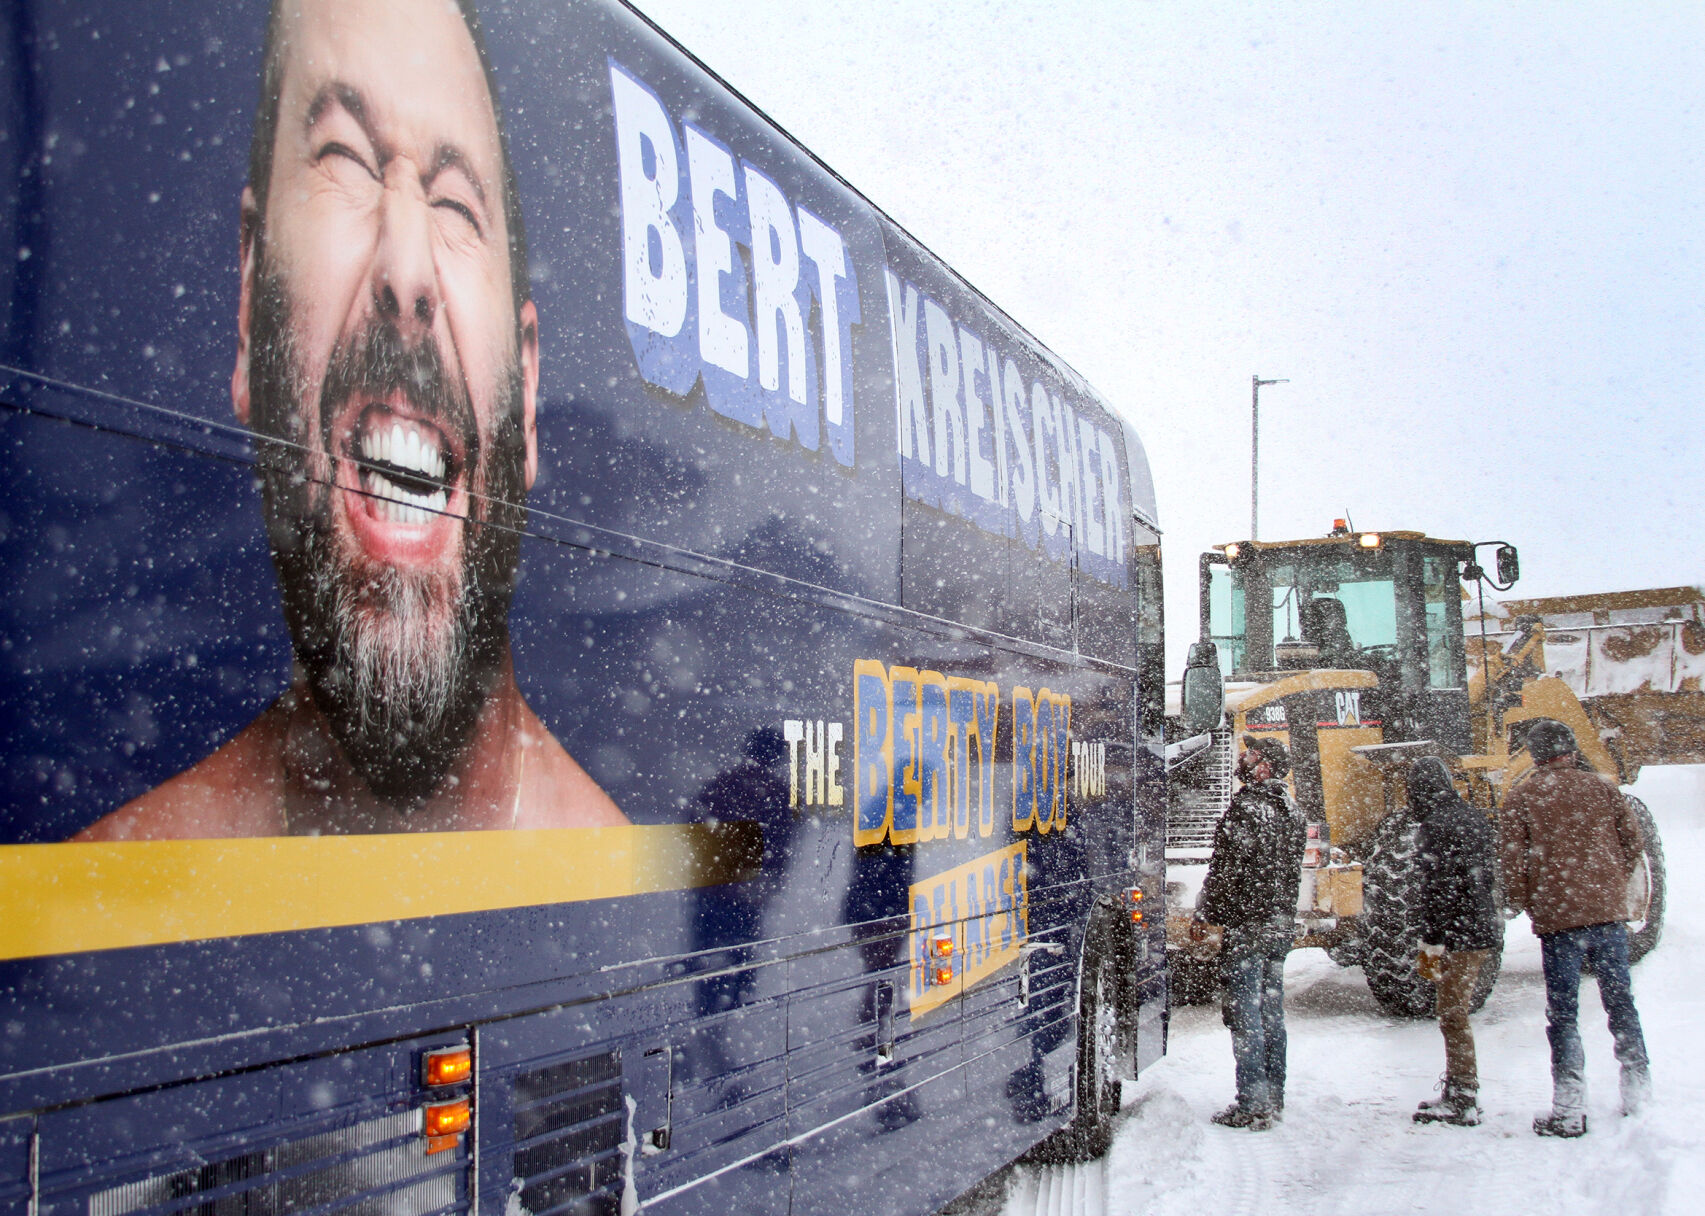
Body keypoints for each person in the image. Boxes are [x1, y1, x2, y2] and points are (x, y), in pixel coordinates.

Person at [78, 0, 624, 839]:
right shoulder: (100, 898)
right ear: (251, 302)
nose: (406, 269)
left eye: (453, 207)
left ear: (524, 377)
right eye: (346, 159)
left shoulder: (622, 883)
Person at [1500, 719, 1650, 1137]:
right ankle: (1637, 1090)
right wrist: (1608, 882)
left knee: (1563, 1013)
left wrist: (1527, 900)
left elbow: (1513, 863)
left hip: (1558, 920)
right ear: (1570, 750)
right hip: (1608, 917)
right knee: (1620, 1001)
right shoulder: (1602, 787)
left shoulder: (1522, 795)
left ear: (1535, 756)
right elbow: (1632, 842)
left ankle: (1569, 1107)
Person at [1195, 735, 1305, 1131]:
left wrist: (1207, 913)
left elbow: (1225, 871)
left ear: (1265, 768)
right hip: (1278, 924)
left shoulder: (1247, 810)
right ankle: (1273, 1095)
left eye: (1252, 753)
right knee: (1271, 1009)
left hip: (1249, 926)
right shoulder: (1292, 811)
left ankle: (1253, 1102)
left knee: (1246, 1015)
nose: (1244, 757)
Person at [1407, 757, 1500, 1127]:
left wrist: (1431, 941)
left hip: (1458, 935)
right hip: (1480, 928)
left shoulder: (1434, 826)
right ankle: (1460, 1090)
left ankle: (1463, 1094)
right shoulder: (1474, 817)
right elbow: (1485, 875)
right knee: (1454, 1010)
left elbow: (1436, 890)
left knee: (1452, 1013)